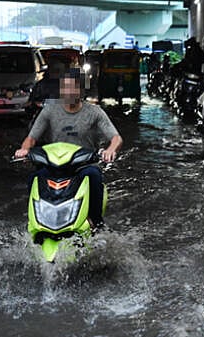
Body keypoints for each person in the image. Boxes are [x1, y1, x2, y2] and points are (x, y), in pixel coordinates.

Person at [14, 70, 123, 227]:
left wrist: (110, 150)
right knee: (35, 178)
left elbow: (116, 138)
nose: (70, 92)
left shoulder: (95, 112)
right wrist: (24, 150)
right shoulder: (49, 111)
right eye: (66, 88)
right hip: (54, 166)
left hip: (83, 166)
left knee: (94, 176)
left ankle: (96, 222)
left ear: (81, 90)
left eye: (74, 88)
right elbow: (31, 139)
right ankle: (36, 220)